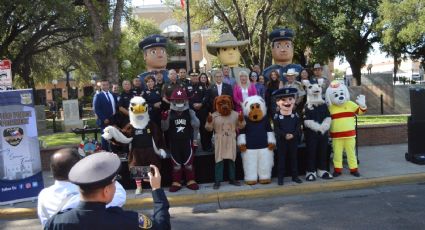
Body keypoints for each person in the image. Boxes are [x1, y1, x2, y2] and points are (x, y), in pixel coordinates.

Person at [44, 151, 171, 230]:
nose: (115, 188)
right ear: (105, 191)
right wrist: (157, 190)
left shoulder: (56, 223)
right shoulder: (126, 220)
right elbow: (162, 227)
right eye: (114, 183)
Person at [37, 148, 126, 226]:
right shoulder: (84, 195)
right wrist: (104, 168)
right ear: (78, 169)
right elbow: (119, 195)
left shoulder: (43, 195)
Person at [273, 87, 302, 185]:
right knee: (281, 159)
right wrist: (285, 135)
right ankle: (280, 178)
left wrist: (293, 135)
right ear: (278, 102)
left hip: (293, 140)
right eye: (283, 100)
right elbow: (276, 128)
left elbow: (298, 126)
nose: (287, 102)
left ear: (293, 100)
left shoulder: (296, 114)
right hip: (282, 140)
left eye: (290, 99)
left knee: (294, 159)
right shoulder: (277, 115)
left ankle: (295, 177)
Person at [187, 70, 211, 152]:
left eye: (196, 75)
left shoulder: (203, 85)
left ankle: (205, 146)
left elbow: (206, 96)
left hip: (202, 110)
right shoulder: (186, 86)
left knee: (203, 129)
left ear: (198, 76)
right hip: (191, 111)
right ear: (190, 77)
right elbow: (185, 98)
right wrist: (193, 104)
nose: (194, 77)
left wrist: (201, 104)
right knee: (191, 130)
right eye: (192, 75)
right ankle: (193, 148)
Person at [94, 79, 117, 151]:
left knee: (114, 137)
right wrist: (104, 118)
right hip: (104, 121)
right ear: (101, 86)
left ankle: (114, 152)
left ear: (109, 85)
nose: (105, 86)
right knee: (105, 137)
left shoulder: (113, 95)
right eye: (103, 85)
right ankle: (105, 153)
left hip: (113, 119)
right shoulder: (98, 96)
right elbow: (97, 109)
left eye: (107, 84)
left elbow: (116, 106)